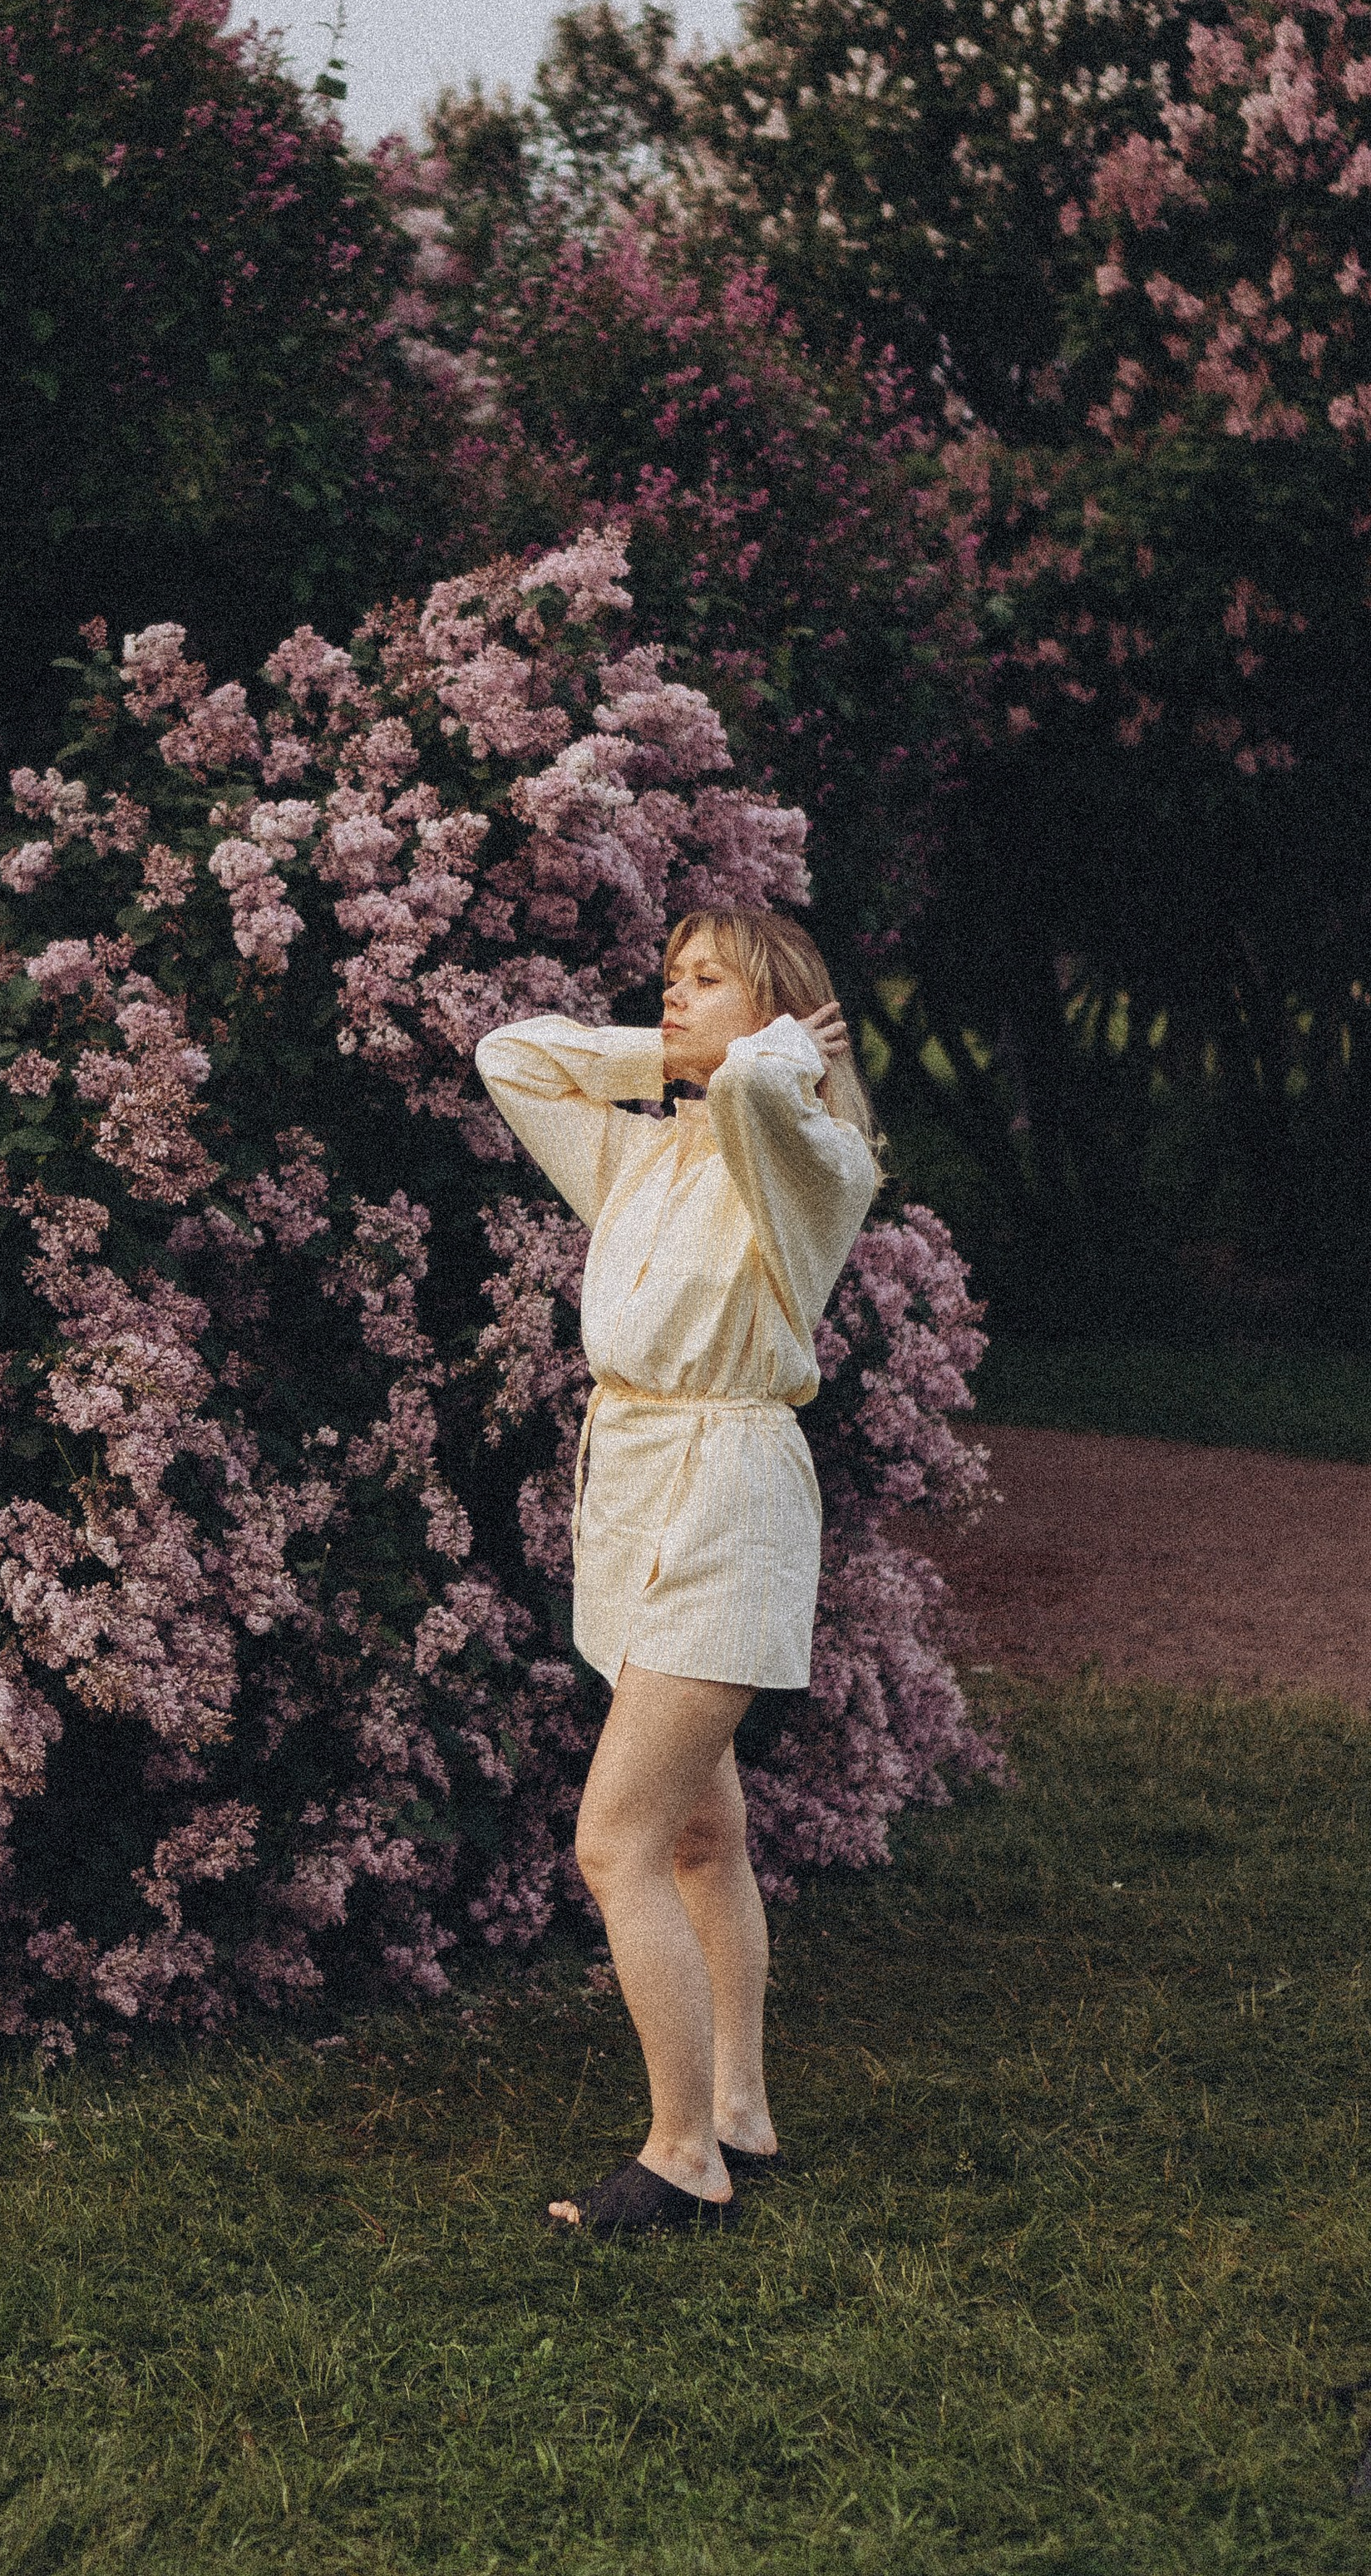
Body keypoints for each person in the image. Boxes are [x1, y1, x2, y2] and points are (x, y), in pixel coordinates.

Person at [475, 907, 880, 2238]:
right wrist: (661, 1044)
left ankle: (681, 2156)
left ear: (783, 1011)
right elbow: (511, 1057)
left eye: (712, 979)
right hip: (633, 1491)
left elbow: (774, 1101)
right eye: (671, 976)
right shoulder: (644, 1153)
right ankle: (742, 2112)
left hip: (729, 1502)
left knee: (617, 1840)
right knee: (704, 1837)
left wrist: (760, 1054)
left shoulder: (816, 1162)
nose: (678, 996)